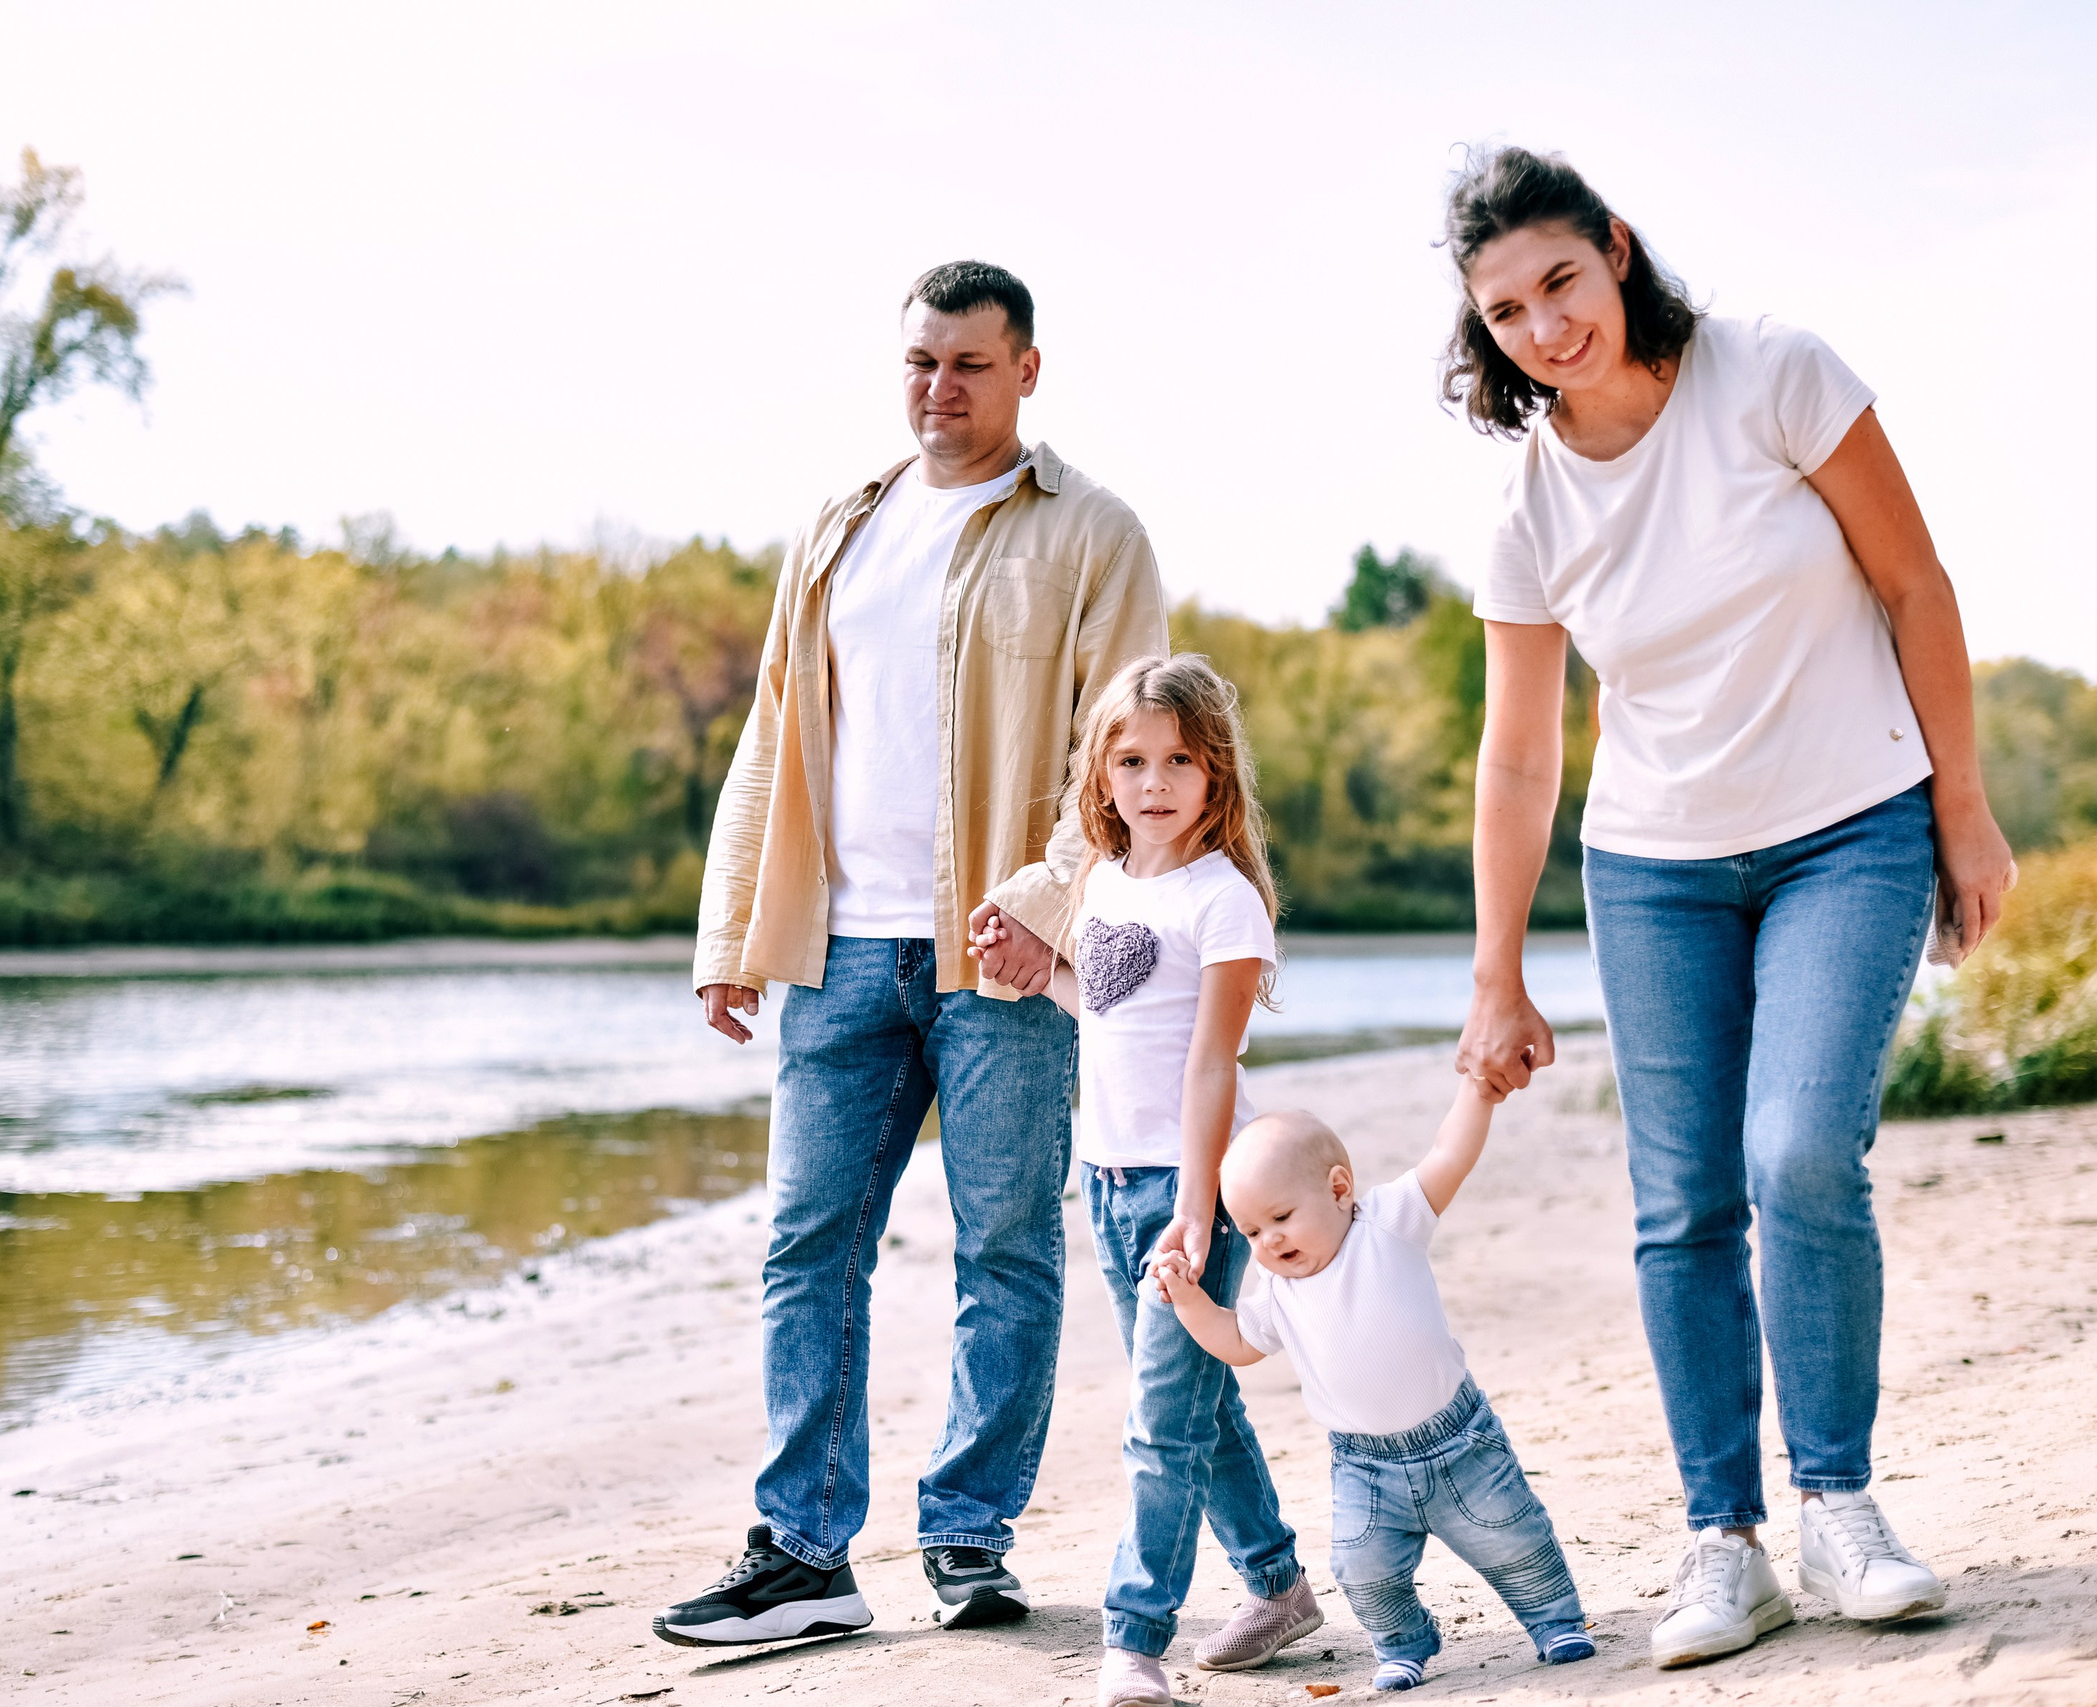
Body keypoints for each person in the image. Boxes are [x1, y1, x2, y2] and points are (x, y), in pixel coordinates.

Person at [1443, 148, 2015, 1668]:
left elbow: (1916, 585)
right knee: (1682, 1205)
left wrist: (1962, 807)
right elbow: (1518, 753)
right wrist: (1497, 971)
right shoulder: (1528, 500)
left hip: (1851, 829)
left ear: (1617, 252)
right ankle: (1726, 1542)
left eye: (1561, 282)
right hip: (1654, 871)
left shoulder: (1773, 374)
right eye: (1506, 312)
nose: (1545, 328)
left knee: (1801, 1152)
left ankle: (1840, 1507)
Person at [652, 261, 1169, 1648]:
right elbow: (773, 731)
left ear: (1027, 371)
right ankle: (804, 1552)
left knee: (1006, 1250)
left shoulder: (1094, 532)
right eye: (921, 362)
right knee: (807, 1243)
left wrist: (1049, 901)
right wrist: (733, 929)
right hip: (836, 949)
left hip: (1002, 958)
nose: (941, 388)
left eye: (970, 364)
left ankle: (968, 1535)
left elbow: (1125, 750)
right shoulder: (841, 525)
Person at [976, 654, 1316, 1707]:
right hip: (1111, 1180)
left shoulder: (1225, 902)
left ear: (1215, 775)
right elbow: (1114, 1012)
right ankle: (1279, 1586)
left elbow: (1210, 1062)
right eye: (1131, 761)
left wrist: (1197, 1209)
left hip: (1191, 1190)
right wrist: (1040, 970)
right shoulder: (1106, 882)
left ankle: (1133, 1640)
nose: (1154, 782)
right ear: (1102, 776)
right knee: (1199, 1402)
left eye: (1179, 760)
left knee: (1159, 1424)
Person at [1155, 1083, 1595, 1692]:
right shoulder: (1278, 1291)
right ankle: (1403, 1642)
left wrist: (1477, 1093)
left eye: (1281, 1219)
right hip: (1363, 1465)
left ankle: (1554, 1622)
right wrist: (1187, 1300)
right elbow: (1236, 1343)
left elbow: (1448, 1156)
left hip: (1460, 1443)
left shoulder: (1387, 1223)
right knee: (1361, 1568)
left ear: (1339, 1189)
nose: (1269, 1243)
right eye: (1252, 1233)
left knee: (1512, 1537)